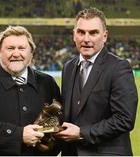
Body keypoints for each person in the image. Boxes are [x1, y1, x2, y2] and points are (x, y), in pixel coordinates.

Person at [0, 26, 61, 156]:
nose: (16, 53)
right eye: (10, 48)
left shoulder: (48, 82)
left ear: (31, 53)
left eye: (22, 48)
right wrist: (18, 135)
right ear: (0, 52)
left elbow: (58, 123)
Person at [56, 7, 138, 156]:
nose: (86, 39)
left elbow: (124, 119)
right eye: (81, 32)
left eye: (93, 33)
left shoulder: (119, 67)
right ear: (74, 35)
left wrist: (81, 132)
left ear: (105, 36)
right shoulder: (68, 67)